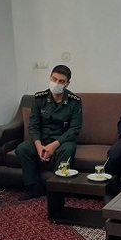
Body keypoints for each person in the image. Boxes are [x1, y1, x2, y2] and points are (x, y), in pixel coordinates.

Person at [15, 65, 82, 200]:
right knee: (22, 149)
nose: (56, 83)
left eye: (61, 81)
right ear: (50, 77)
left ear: (67, 83)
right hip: (42, 139)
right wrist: (39, 146)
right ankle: (34, 188)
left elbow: (75, 129)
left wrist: (53, 146)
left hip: (62, 141)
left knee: (68, 150)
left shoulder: (74, 101)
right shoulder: (39, 98)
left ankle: (56, 191)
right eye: (54, 79)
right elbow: (33, 126)